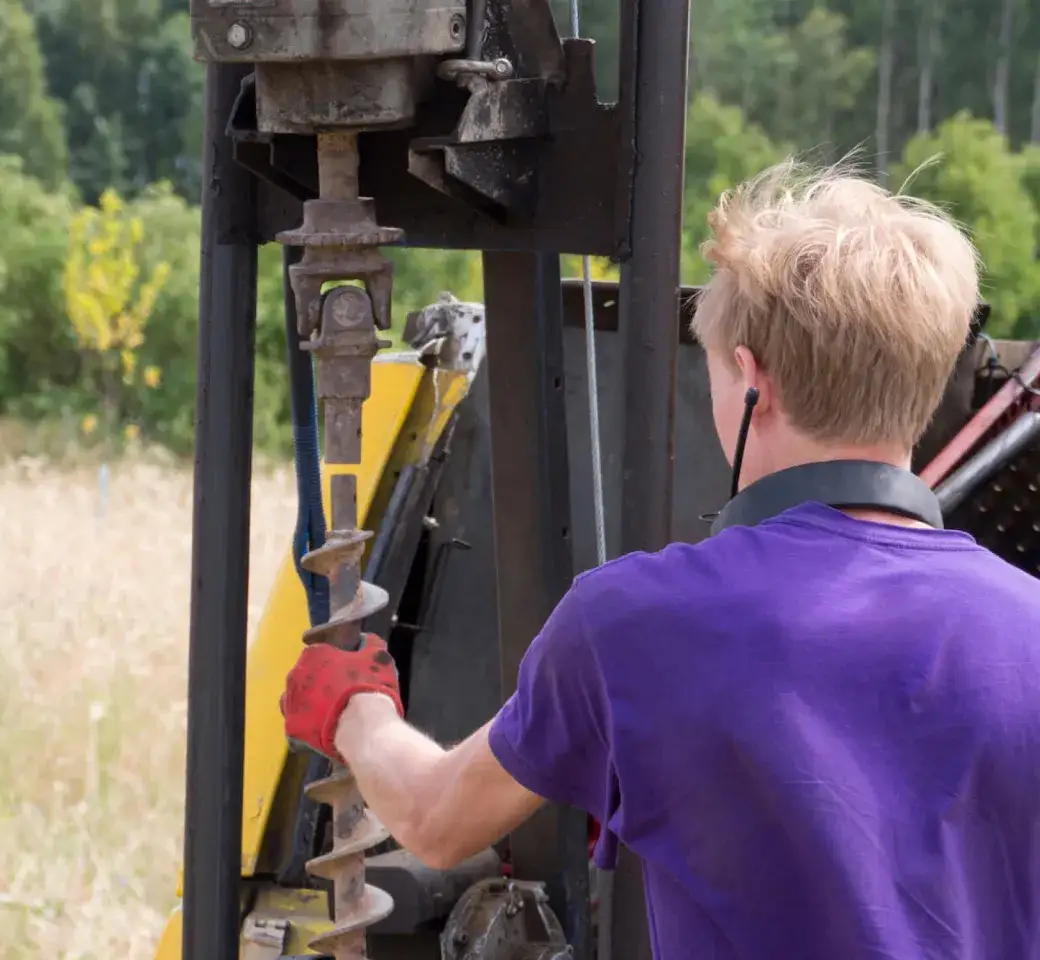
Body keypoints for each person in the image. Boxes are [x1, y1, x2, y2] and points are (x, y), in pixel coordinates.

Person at [279, 161, 1040, 959]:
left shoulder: (635, 622)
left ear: (752, 383)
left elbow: (436, 820)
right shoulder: (1026, 624)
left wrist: (356, 710)